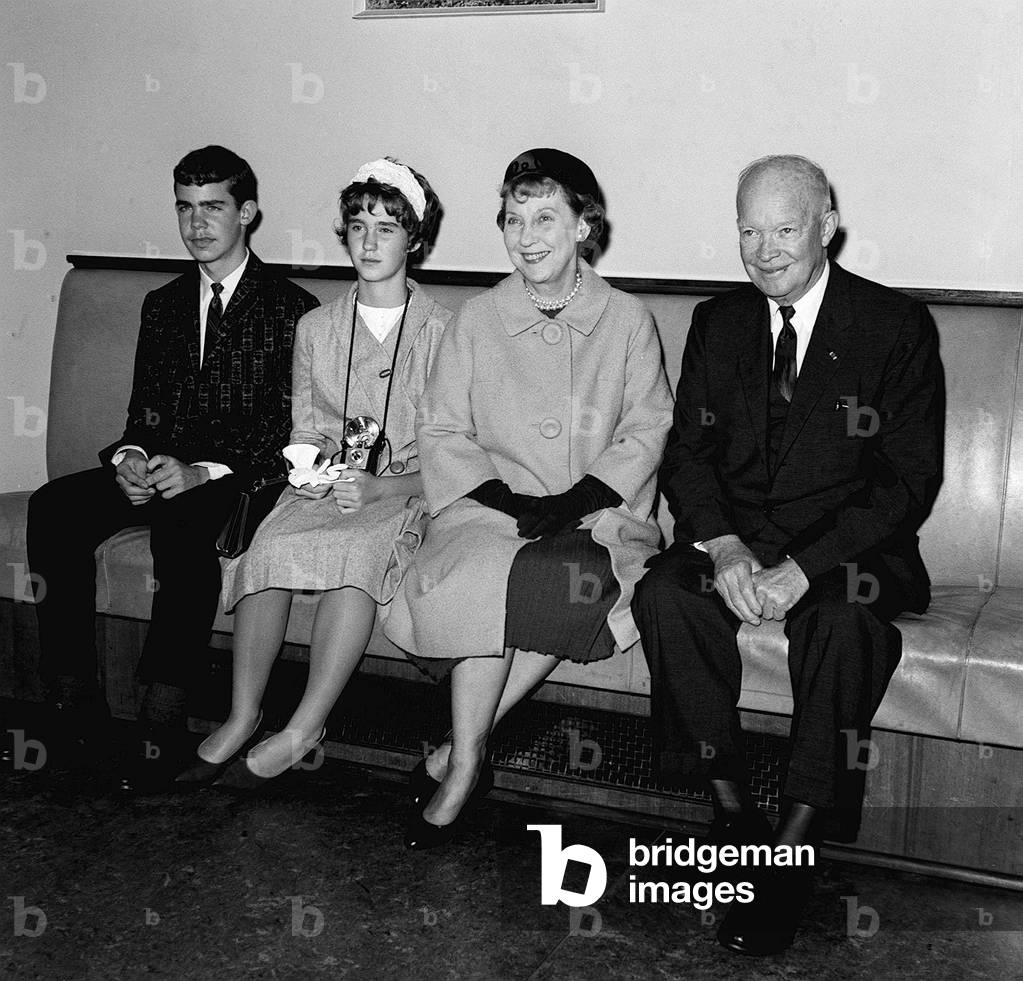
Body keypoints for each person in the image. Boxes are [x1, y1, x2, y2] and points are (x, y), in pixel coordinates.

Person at [632, 154, 944, 955]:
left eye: (784, 228)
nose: (764, 249)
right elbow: (686, 458)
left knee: (842, 624)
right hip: (738, 540)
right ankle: (731, 809)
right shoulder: (718, 321)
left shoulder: (894, 325)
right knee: (665, 593)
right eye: (748, 230)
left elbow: (904, 483)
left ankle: (795, 841)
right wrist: (727, 545)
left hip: (848, 547)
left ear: (826, 226)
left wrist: (801, 568)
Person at [385, 148, 673, 849]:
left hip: (599, 513)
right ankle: (466, 762)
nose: (527, 235)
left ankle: (459, 752)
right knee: (487, 573)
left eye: (546, 216)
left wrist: (574, 499)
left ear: (584, 226)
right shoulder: (478, 318)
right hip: (488, 509)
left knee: (562, 582)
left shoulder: (627, 319)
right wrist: (508, 502)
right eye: (513, 219)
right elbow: (442, 426)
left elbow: (646, 428)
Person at [26, 145, 318, 786]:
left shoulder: (291, 309)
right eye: (185, 208)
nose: (196, 225)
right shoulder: (163, 304)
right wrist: (131, 459)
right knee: (53, 507)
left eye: (213, 208)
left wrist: (201, 471)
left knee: (183, 520)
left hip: (240, 481)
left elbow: (288, 434)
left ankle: (162, 721)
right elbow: (143, 416)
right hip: (162, 469)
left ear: (248, 212)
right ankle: (74, 705)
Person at [175, 158, 452, 789]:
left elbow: (455, 456)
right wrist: (312, 465)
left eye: (388, 227)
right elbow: (306, 426)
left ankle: (303, 728)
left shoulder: (445, 334)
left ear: (416, 239)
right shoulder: (317, 327)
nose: (370, 241)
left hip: (405, 492)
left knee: (357, 553)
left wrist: (383, 487)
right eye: (358, 226)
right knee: (267, 544)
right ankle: (244, 715)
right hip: (330, 484)